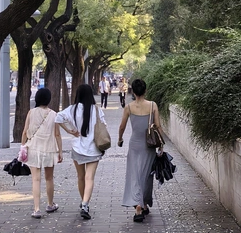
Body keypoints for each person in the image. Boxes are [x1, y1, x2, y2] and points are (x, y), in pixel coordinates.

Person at [56, 83, 106, 220]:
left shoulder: (72, 109)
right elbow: (104, 125)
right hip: (94, 148)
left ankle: (84, 201)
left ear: (77, 94)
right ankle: (85, 204)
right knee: (90, 178)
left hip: (77, 148)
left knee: (80, 177)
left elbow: (58, 117)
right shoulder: (96, 110)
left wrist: (69, 131)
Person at [117, 78, 165, 223]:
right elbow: (158, 126)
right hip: (148, 146)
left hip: (134, 145)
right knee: (146, 175)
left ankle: (139, 205)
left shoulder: (129, 107)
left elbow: (122, 126)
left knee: (135, 175)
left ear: (133, 92)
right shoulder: (152, 105)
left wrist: (120, 139)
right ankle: (142, 204)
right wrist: (161, 144)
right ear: (145, 90)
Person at [21, 87, 63, 219]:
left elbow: (25, 131)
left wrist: (22, 146)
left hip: (33, 149)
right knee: (49, 178)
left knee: (36, 179)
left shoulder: (31, 112)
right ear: (49, 99)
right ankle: (50, 204)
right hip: (49, 149)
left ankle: (37, 209)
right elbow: (57, 134)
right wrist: (60, 151)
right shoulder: (54, 114)